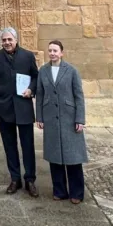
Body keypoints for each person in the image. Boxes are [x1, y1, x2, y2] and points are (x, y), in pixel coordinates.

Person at [36, 41, 88, 204]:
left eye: (55, 50)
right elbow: (40, 94)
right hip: (50, 118)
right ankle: (59, 191)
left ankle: (76, 193)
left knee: (73, 157)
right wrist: (39, 117)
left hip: (69, 118)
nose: (52, 53)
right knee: (55, 157)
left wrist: (80, 119)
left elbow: (79, 96)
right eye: (50, 50)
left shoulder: (71, 71)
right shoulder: (43, 71)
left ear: (61, 53)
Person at [0, 27, 40, 197]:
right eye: (4, 40)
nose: (7, 43)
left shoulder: (27, 56)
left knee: (28, 146)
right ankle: (15, 178)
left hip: (23, 107)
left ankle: (30, 179)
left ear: (16, 40)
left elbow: (36, 77)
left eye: (9, 39)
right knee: (9, 146)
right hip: (4, 109)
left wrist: (31, 89)